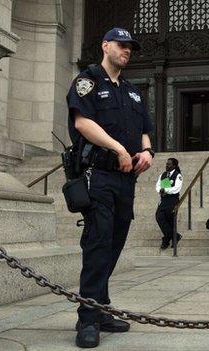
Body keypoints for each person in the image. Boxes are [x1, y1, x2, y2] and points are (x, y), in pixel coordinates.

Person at [66, 27, 155, 348]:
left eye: (130, 47)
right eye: (121, 45)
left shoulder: (133, 91)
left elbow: (145, 129)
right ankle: (87, 318)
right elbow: (82, 122)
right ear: (105, 46)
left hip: (125, 180)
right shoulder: (88, 81)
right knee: (98, 244)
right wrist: (118, 149)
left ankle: (100, 308)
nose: (127, 50)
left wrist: (146, 152)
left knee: (115, 243)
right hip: (98, 176)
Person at [155, 158, 183, 249]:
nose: (166, 165)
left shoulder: (178, 175)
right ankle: (175, 236)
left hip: (172, 200)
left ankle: (166, 240)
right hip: (164, 200)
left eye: (169, 164)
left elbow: (176, 189)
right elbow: (158, 185)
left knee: (170, 220)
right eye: (166, 164)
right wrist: (160, 190)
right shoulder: (163, 175)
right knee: (159, 217)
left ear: (174, 166)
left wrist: (165, 190)